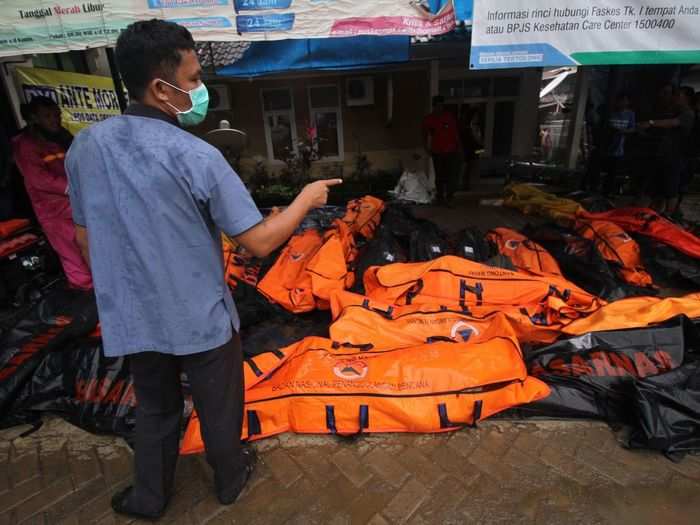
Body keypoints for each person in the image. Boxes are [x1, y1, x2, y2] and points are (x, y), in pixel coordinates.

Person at [65, 20, 341, 521]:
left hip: (134, 317)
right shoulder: (196, 154)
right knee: (218, 406)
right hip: (199, 316)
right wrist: (306, 197)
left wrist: (122, 288)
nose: (200, 90)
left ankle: (148, 497)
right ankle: (230, 480)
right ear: (159, 87)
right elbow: (256, 243)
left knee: (155, 407)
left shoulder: (86, 147)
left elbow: (84, 236)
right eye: (192, 80)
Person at [11, 96, 92, 290]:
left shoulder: (62, 137)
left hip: (76, 203)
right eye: (47, 116)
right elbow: (38, 179)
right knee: (72, 254)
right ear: (34, 118)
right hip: (53, 210)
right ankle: (86, 294)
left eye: (56, 115)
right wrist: (71, 187)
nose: (55, 120)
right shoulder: (26, 144)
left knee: (90, 248)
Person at [639, 86, 695, 214]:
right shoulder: (675, 112)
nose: (675, 98)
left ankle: (669, 219)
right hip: (663, 156)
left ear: (687, 98)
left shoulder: (688, 114)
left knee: (671, 190)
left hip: (675, 158)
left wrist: (651, 123)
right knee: (653, 189)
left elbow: (673, 123)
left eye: (679, 95)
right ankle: (644, 214)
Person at [423, 95, 461, 204]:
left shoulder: (448, 117)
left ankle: (449, 197)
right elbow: (424, 135)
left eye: (442, 105)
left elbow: (455, 133)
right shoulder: (429, 119)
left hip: (451, 151)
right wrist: (426, 148)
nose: (440, 108)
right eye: (438, 105)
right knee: (439, 176)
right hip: (437, 152)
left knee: (450, 175)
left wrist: (458, 148)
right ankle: (440, 197)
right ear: (434, 106)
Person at [602, 93, 636, 196]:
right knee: (604, 169)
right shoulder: (610, 113)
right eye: (621, 100)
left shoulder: (630, 114)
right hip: (606, 146)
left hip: (619, 148)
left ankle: (609, 191)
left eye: (625, 101)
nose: (623, 103)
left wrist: (623, 131)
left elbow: (632, 128)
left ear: (628, 102)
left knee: (613, 171)